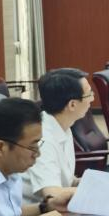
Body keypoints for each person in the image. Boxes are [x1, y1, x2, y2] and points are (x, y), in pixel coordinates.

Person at [23, 67, 94, 206]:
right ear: (72, 105)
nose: (92, 98)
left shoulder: (62, 125)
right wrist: (101, 190)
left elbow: (67, 181)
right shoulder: (42, 140)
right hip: (38, 213)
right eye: (89, 94)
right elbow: (53, 195)